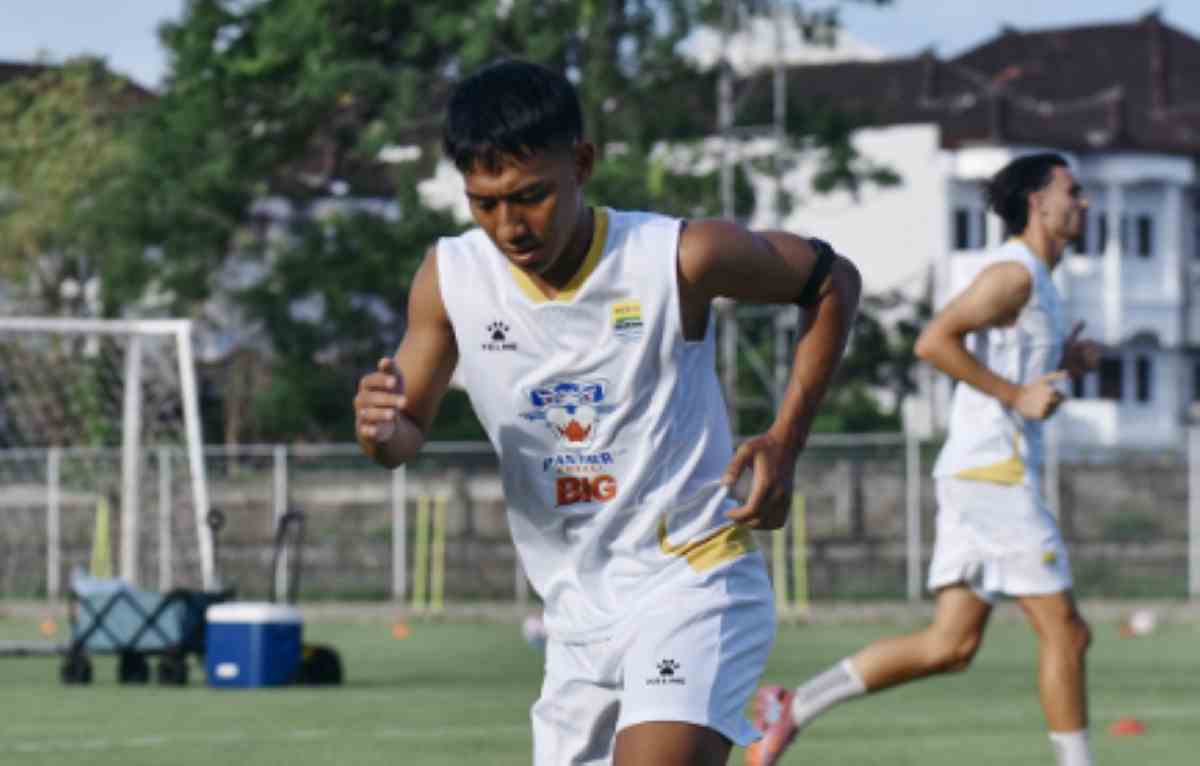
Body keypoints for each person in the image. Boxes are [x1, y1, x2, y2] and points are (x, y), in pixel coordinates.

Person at [354, 59, 860, 766]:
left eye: (531, 196)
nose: (510, 225)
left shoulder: (678, 257)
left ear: (583, 163)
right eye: (485, 201)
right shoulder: (449, 280)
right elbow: (404, 433)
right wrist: (379, 428)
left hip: (692, 580)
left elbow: (831, 282)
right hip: (575, 621)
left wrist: (786, 440)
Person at [747, 152, 1100, 766]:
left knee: (951, 645)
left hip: (979, 474)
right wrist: (1016, 393)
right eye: (1074, 190)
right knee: (1067, 632)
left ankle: (793, 706)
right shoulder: (1013, 275)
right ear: (1038, 202)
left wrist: (1066, 367)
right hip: (994, 476)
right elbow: (933, 340)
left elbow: (1015, 369)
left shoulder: (1043, 284)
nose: (1085, 202)